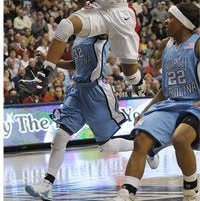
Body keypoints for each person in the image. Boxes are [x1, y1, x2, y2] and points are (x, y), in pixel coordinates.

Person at [24, 35, 158, 201]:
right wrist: (51, 59)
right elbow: (75, 64)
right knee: (59, 137)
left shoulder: (99, 26)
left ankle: (147, 148)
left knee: (106, 146)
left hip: (97, 92)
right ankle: (47, 184)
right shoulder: (79, 37)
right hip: (78, 91)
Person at [111, 2, 200, 201]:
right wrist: (146, 109)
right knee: (140, 139)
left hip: (195, 104)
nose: (166, 21)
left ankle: (191, 188)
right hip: (171, 104)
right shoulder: (165, 45)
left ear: (184, 23)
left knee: (180, 139)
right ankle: (127, 192)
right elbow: (165, 88)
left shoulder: (198, 43)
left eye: (171, 18)